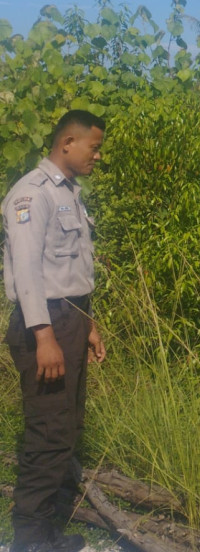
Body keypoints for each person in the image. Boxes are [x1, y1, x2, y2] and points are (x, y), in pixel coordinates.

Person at [2, 110, 107, 552]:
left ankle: (45, 523)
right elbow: (26, 271)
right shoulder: (32, 194)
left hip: (70, 320)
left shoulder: (70, 194)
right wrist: (44, 336)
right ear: (67, 142)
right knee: (48, 431)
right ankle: (30, 540)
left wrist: (87, 324)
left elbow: (70, 268)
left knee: (65, 426)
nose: (97, 156)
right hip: (43, 324)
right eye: (94, 147)